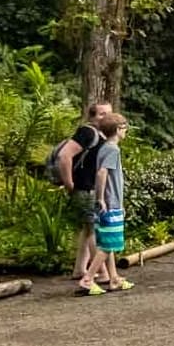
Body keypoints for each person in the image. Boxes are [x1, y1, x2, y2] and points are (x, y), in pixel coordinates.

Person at [61, 101, 113, 296]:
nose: (105, 117)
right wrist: (69, 183)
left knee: (87, 227)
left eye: (108, 113)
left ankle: (79, 269)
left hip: (89, 188)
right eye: (101, 114)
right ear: (92, 117)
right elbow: (65, 156)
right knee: (93, 229)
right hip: (84, 189)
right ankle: (103, 273)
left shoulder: (100, 135)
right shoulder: (87, 132)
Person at [91, 115, 133, 292]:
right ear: (117, 130)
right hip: (110, 202)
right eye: (124, 127)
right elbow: (102, 173)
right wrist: (102, 198)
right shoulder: (112, 149)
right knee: (109, 244)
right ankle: (87, 279)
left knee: (107, 242)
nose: (126, 130)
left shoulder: (105, 147)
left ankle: (113, 278)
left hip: (111, 202)